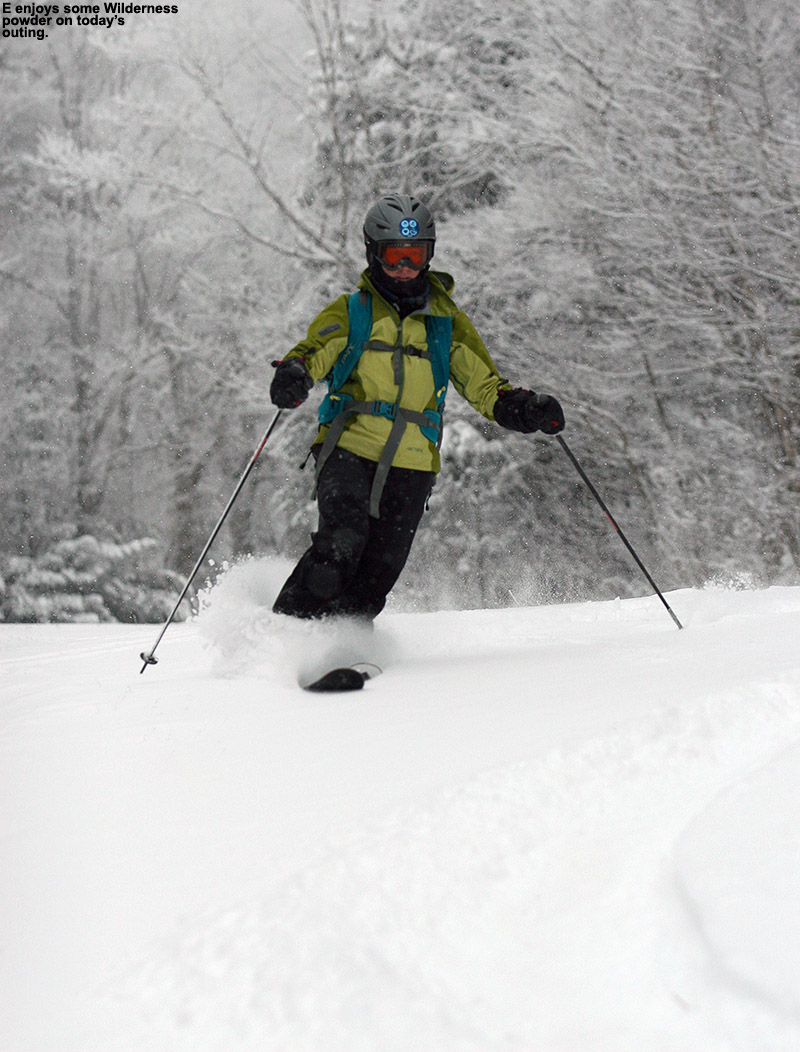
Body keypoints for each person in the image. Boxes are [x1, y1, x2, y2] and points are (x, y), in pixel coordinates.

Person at [270, 192, 565, 623]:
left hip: (413, 461)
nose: (405, 267)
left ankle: (343, 647)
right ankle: (281, 634)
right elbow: (315, 350)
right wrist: (295, 373)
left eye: (416, 255)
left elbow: (484, 385)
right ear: (374, 254)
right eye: (395, 256)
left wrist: (522, 409)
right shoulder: (353, 312)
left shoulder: (446, 324)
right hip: (350, 446)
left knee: (377, 575)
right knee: (340, 546)